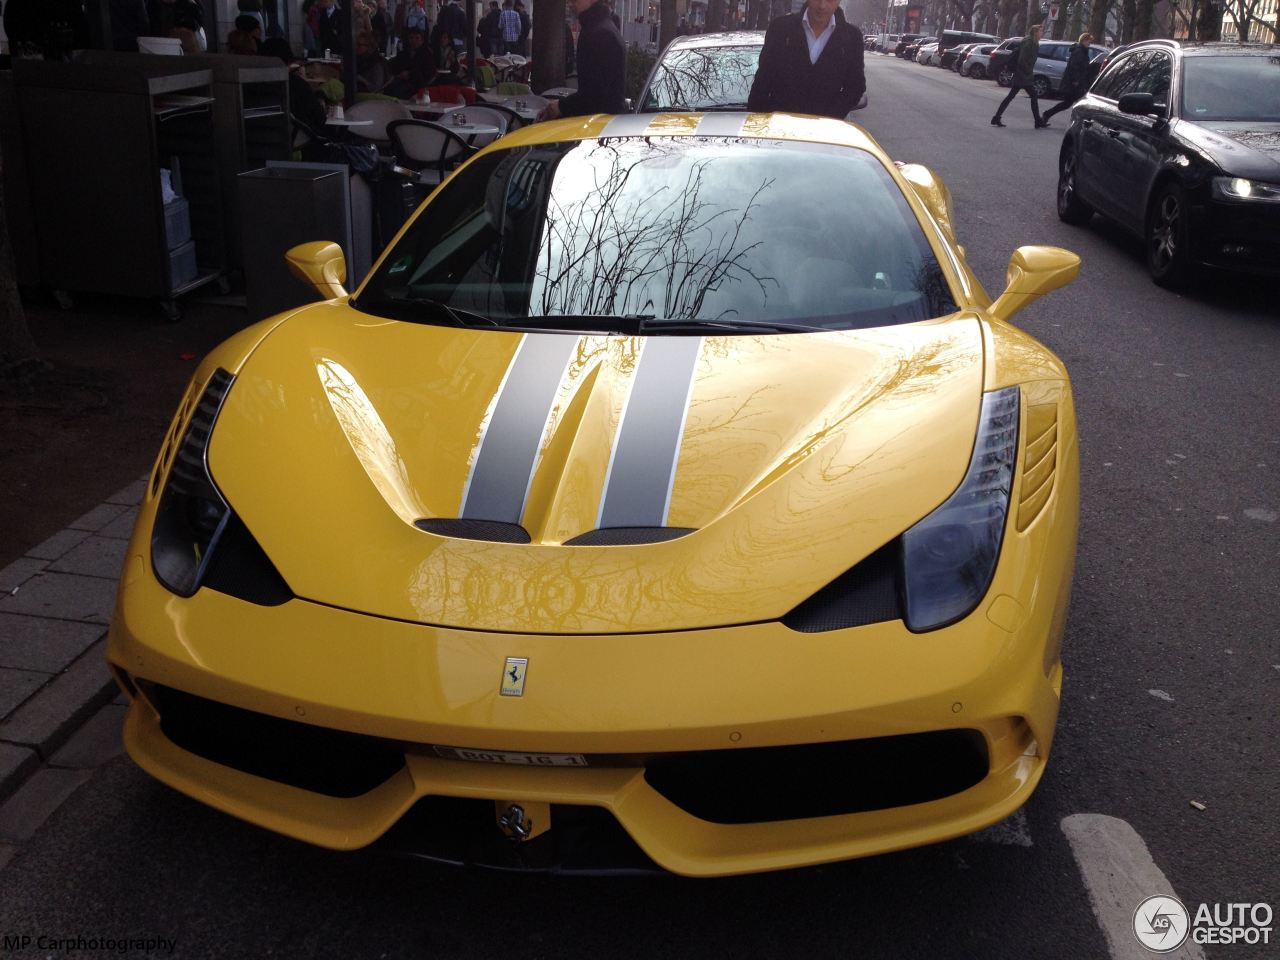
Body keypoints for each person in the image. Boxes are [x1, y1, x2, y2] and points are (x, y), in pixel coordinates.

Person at [746, 0, 865, 119]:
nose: (822, 6)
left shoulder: (851, 38)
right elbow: (762, 82)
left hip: (825, 131)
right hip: (779, 127)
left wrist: (830, 118)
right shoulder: (781, 29)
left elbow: (855, 87)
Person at [538, 0, 624, 119]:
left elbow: (595, 95)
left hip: (599, 126)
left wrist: (561, 107)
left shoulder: (602, 34)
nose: (570, 2)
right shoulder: (598, 28)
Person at [260, 36, 327, 132]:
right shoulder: (295, 84)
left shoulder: (254, 85)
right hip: (301, 138)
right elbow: (319, 117)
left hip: (263, 136)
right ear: (288, 60)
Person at [992, 22, 1045, 128]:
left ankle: (997, 117)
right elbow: (1022, 59)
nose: (1042, 33)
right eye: (1040, 31)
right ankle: (1037, 121)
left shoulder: (1033, 42)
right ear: (1035, 32)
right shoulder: (1029, 42)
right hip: (1023, 74)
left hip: (1023, 74)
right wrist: (1027, 71)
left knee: (1011, 96)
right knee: (1032, 96)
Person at [1039, 31, 1094, 125]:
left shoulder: (1081, 51)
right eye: (1089, 41)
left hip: (1077, 82)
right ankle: (1078, 123)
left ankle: (1047, 114)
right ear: (1084, 40)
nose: (1090, 43)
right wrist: (1076, 80)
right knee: (1079, 103)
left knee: (1068, 103)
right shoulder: (1079, 51)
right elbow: (1075, 66)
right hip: (1075, 83)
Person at [385, 25, 436, 97]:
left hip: (417, 86)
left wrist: (410, 74)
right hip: (401, 82)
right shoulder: (404, 53)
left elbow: (428, 73)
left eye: (417, 38)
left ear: (422, 40)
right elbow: (395, 66)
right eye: (411, 38)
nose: (414, 40)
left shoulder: (427, 55)